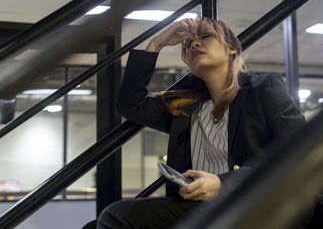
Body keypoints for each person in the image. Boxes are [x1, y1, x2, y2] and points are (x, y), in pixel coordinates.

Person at [96, 18, 305, 229]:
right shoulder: (185, 107)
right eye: (188, 44)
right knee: (95, 224)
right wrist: (156, 43)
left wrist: (224, 184)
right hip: (198, 207)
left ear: (231, 49)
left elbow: (299, 148)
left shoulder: (263, 88)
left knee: (117, 216)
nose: (194, 44)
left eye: (205, 37)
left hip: (253, 203)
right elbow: (130, 105)